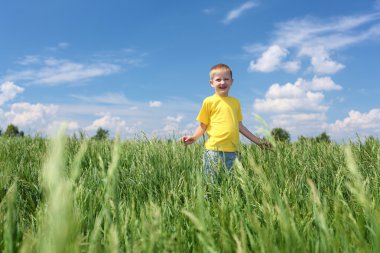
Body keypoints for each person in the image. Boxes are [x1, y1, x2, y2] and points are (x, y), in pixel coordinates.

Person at [181, 63, 270, 181]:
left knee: (231, 183)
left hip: (233, 152)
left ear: (232, 82)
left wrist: (259, 142)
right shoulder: (209, 101)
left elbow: (240, 126)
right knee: (211, 183)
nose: (222, 82)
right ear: (211, 83)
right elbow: (203, 125)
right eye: (218, 80)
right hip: (213, 151)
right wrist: (194, 137)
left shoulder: (236, 102)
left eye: (226, 79)